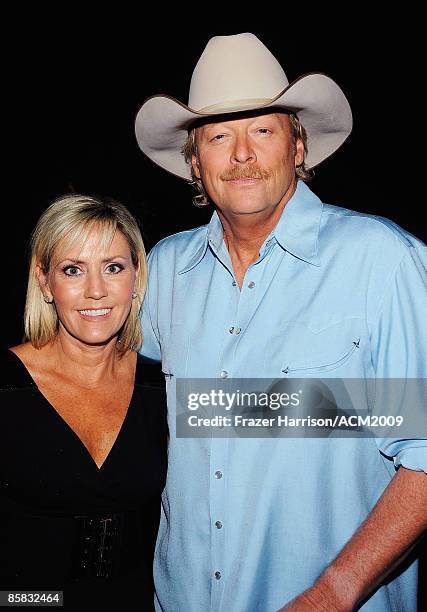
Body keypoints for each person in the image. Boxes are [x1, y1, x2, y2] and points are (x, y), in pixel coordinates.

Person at [135, 33, 427, 611]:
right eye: (219, 136)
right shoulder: (167, 268)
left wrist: (334, 592)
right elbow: (92, 371)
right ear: (196, 162)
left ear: (298, 148)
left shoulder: (379, 259)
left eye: (263, 130)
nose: (241, 154)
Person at [0, 194, 167, 609]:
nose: (96, 291)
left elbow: (302, 414)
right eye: (73, 270)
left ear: (136, 277)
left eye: (113, 268)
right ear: (44, 282)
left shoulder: (162, 386)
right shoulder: (6, 387)